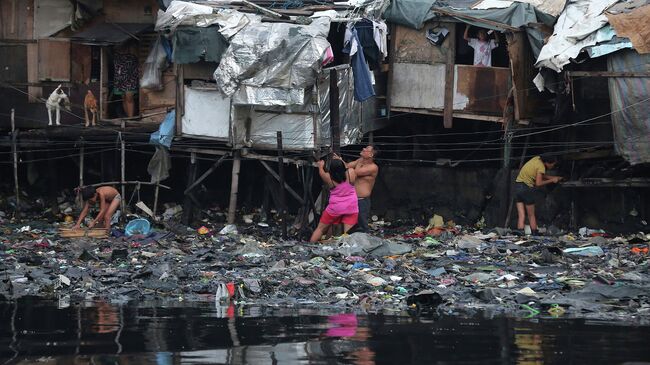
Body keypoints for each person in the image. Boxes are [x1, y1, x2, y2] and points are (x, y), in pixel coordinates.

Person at [310, 159, 358, 242]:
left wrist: (320, 166)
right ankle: (346, 252)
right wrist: (341, 160)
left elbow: (321, 172)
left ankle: (310, 246)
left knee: (320, 229)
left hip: (335, 208)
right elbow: (347, 167)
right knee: (347, 234)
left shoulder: (328, 177)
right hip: (351, 206)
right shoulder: (351, 173)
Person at [514, 155, 563, 234]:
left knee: (521, 214)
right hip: (527, 189)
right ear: (547, 163)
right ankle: (534, 232)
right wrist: (552, 180)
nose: (553, 166)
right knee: (531, 215)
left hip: (517, 187)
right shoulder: (541, 167)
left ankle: (520, 232)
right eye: (553, 164)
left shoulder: (536, 159)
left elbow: (538, 175)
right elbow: (538, 183)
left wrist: (552, 177)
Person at [338, 145, 379, 232]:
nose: (363, 149)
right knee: (350, 224)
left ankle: (366, 243)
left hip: (362, 200)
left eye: (366, 149)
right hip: (352, 198)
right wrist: (339, 160)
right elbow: (347, 165)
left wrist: (340, 162)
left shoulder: (373, 167)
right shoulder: (359, 161)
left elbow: (353, 173)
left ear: (371, 155)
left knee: (362, 225)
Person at [113, 42, 139, 117]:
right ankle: (127, 117)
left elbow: (138, 61)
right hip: (119, 79)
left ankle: (130, 118)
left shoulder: (132, 49)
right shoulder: (116, 52)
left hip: (130, 80)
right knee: (123, 98)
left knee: (129, 99)